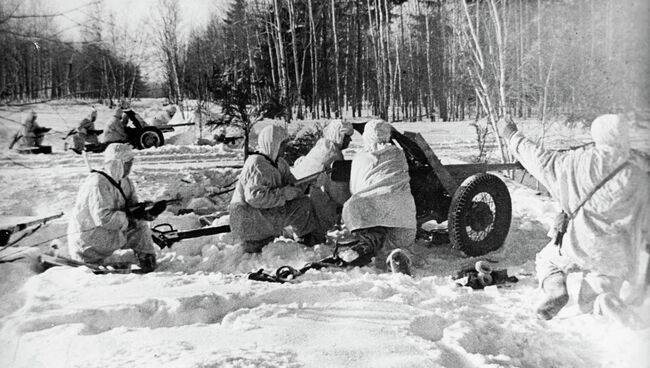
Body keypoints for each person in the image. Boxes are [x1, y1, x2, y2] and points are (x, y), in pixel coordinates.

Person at [497, 114, 649, 325]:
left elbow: (538, 159)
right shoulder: (639, 175)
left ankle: (556, 289)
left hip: (579, 243)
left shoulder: (575, 161)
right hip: (618, 253)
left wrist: (511, 133)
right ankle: (603, 301)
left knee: (547, 260)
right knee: (594, 296)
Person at [338, 119, 417, 274]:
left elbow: (354, 188)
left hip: (367, 211)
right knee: (397, 241)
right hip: (401, 213)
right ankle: (397, 255)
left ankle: (367, 246)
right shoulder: (398, 153)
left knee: (367, 222)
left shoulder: (360, 157)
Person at [67, 143, 159, 272]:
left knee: (141, 226)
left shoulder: (125, 181)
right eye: (127, 163)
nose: (130, 168)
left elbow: (132, 207)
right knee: (136, 224)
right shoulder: (98, 183)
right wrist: (131, 216)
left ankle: (146, 259)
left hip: (107, 234)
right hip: (90, 239)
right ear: (117, 163)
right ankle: (94, 260)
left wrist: (146, 211)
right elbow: (104, 218)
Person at [229, 125, 317, 253]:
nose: (285, 147)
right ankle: (255, 244)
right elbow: (254, 198)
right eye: (282, 144)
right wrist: (283, 195)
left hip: (268, 213)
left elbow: (292, 184)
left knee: (303, 204)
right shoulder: (256, 164)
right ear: (272, 144)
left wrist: (307, 183)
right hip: (249, 217)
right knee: (255, 250)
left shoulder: (281, 163)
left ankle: (304, 242)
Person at [293, 119, 354, 237]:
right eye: (347, 136)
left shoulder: (323, 146)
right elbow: (339, 193)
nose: (350, 140)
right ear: (339, 135)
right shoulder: (332, 155)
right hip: (316, 203)